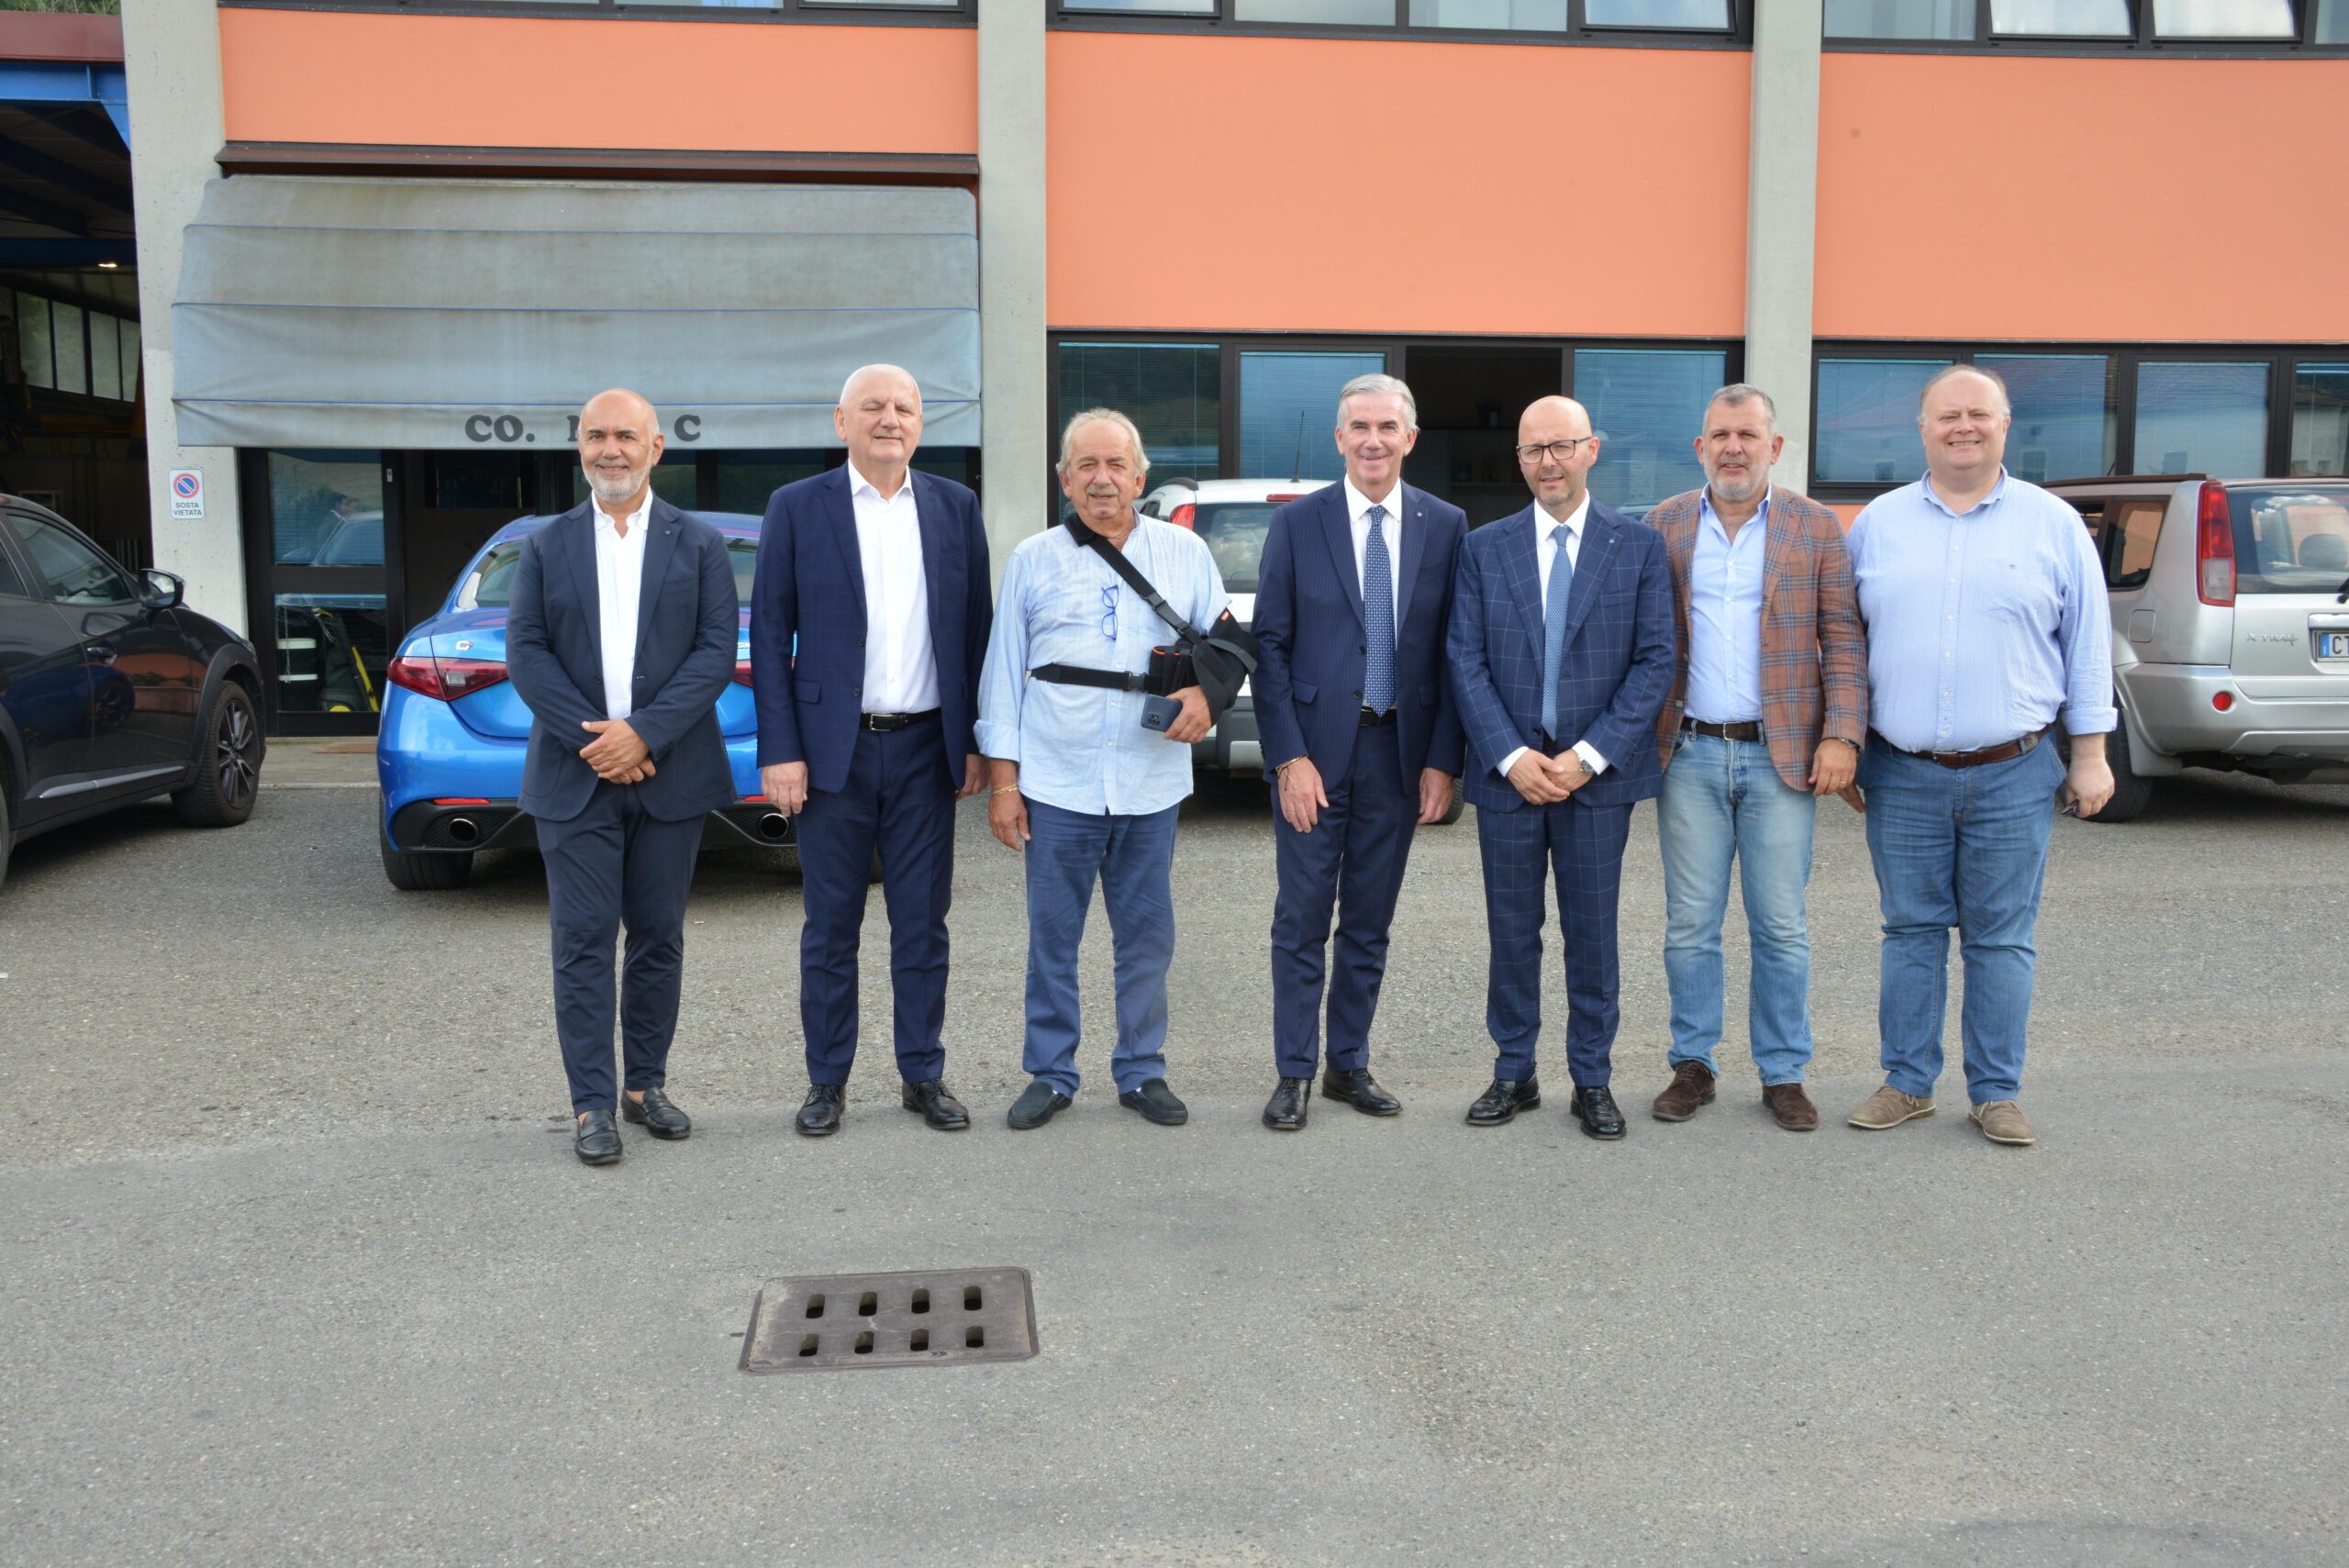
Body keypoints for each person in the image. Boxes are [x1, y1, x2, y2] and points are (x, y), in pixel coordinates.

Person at [1842, 365, 2115, 1148]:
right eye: (1947, 415)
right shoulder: (1878, 524)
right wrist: (1847, 743)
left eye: (1979, 414)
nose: (1963, 426)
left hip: (2015, 769)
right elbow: (1845, 644)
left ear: (2004, 424)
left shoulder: (2054, 524)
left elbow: (2088, 645)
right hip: (1901, 770)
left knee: (2000, 938)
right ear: (1922, 429)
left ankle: (1996, 1092)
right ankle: (1907, 1082)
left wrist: (2090, 754)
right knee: (1910, 931)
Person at [751, 365, 992, 1137]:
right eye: (874, 407)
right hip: (832, 754)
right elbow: (768, 635)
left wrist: (976, 741)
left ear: (921, 422)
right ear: (842, 420)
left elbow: (976, 632)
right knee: (831, 928)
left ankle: (923, 1074)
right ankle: (827, 1080)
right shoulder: (797, 507)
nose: (890, 418)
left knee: (923, 924)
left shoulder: (955, 507)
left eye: (904, 407)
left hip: (926, 748)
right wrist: (780, 750)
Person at [506, 388, 740, 1167]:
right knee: (582, 942)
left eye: (626, 436)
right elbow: (526, 653)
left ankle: (644, 1086)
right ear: (579, 446)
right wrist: (602, 742)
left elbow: (714, 651)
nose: (611, 449)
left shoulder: (700, 544)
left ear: (655, 447)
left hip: (671, 775)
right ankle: (591, 1104)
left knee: (659, 937)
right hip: (574, 779)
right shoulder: (544, 546)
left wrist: (645, 733)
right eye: (596, 436)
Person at [976, 408, 1225, 1131]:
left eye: (1116, 464)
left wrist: (1209, 697)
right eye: (1086, 464)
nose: (1102, 478)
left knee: (1146, 938)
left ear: (1140, 478)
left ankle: (1142, 1070)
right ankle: (1051, 1074)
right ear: (1064, 479)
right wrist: (1004, 783)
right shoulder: (1033, 559)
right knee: (1053, 939)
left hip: (1150, 783)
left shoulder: (1185, 552)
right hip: (1057, 783)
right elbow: (1003, 678)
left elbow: (1231, 647)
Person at [1446, 395, 1676, 1140]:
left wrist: (1588, 756)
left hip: (1596, 782)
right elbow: (1464, 658)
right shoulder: (1484, 548)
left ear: (1591, 450)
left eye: (1561, 446)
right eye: (1533, 449)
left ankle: (1592, 1078)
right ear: (1519, 459)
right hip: (1509, 779)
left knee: (1593, 935)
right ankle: (1514, 1071)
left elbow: (1655, 661)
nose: (1548, 462)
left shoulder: (1637, 547)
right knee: (1512, 933)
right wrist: (1511, 756)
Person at [1644, 384, 1868, 1132]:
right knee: (1689, 924)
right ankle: (1693, 1063)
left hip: (1784, 758)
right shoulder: (1664, 525)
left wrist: (1843, 734)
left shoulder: (1816, 526)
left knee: (1781, 925)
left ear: (1774, 447)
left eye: (1747, 435)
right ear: (1700, 447)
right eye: (1720, 435)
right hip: (1690, 753)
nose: (1733, 447)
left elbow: (1843, 639)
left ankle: (1783, 1071)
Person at [1251, 373, 1465, 1131]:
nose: (1374, 440)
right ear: (1341, 438)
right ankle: (1294, 1071)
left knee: (1370, 920)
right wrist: (1288, 758)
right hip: (1314, 756)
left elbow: (1455, 651)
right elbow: (1268, 648)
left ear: (1410, 437)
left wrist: (1442, 760)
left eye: (1387, 427)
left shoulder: (1446, 525)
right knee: (1302, 918)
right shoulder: (1297, 524)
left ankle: (1348, 1063)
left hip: (1398, 755)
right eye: (1360, 427)